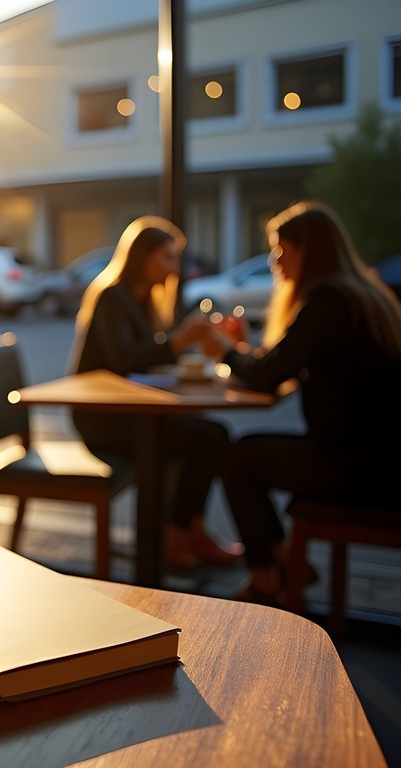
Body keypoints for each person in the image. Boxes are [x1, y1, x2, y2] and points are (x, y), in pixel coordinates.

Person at [213, 201, 401, 604]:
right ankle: (283, 559)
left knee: (235, 458)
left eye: (281, 250)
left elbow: (269, 374)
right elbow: (282, 365)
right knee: (244, 455)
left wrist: (225, 350)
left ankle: (266, 582)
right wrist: (246, 351)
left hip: (356, 467)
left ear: (308, 251)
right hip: (380, 460)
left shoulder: (329, 300)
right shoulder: (359, 295)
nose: (274, 261)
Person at [70, 216, 241, 568]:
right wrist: (179, 341)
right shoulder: (112, 297)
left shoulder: (142, 300)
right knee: (209, 438)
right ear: (141, 257)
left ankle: (186, 531)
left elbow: (143, 361)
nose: (174, 268)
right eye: (167, 257)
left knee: (210, 433)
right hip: (103, 419)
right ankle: (176, 536)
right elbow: (122, 360)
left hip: (130, 412)